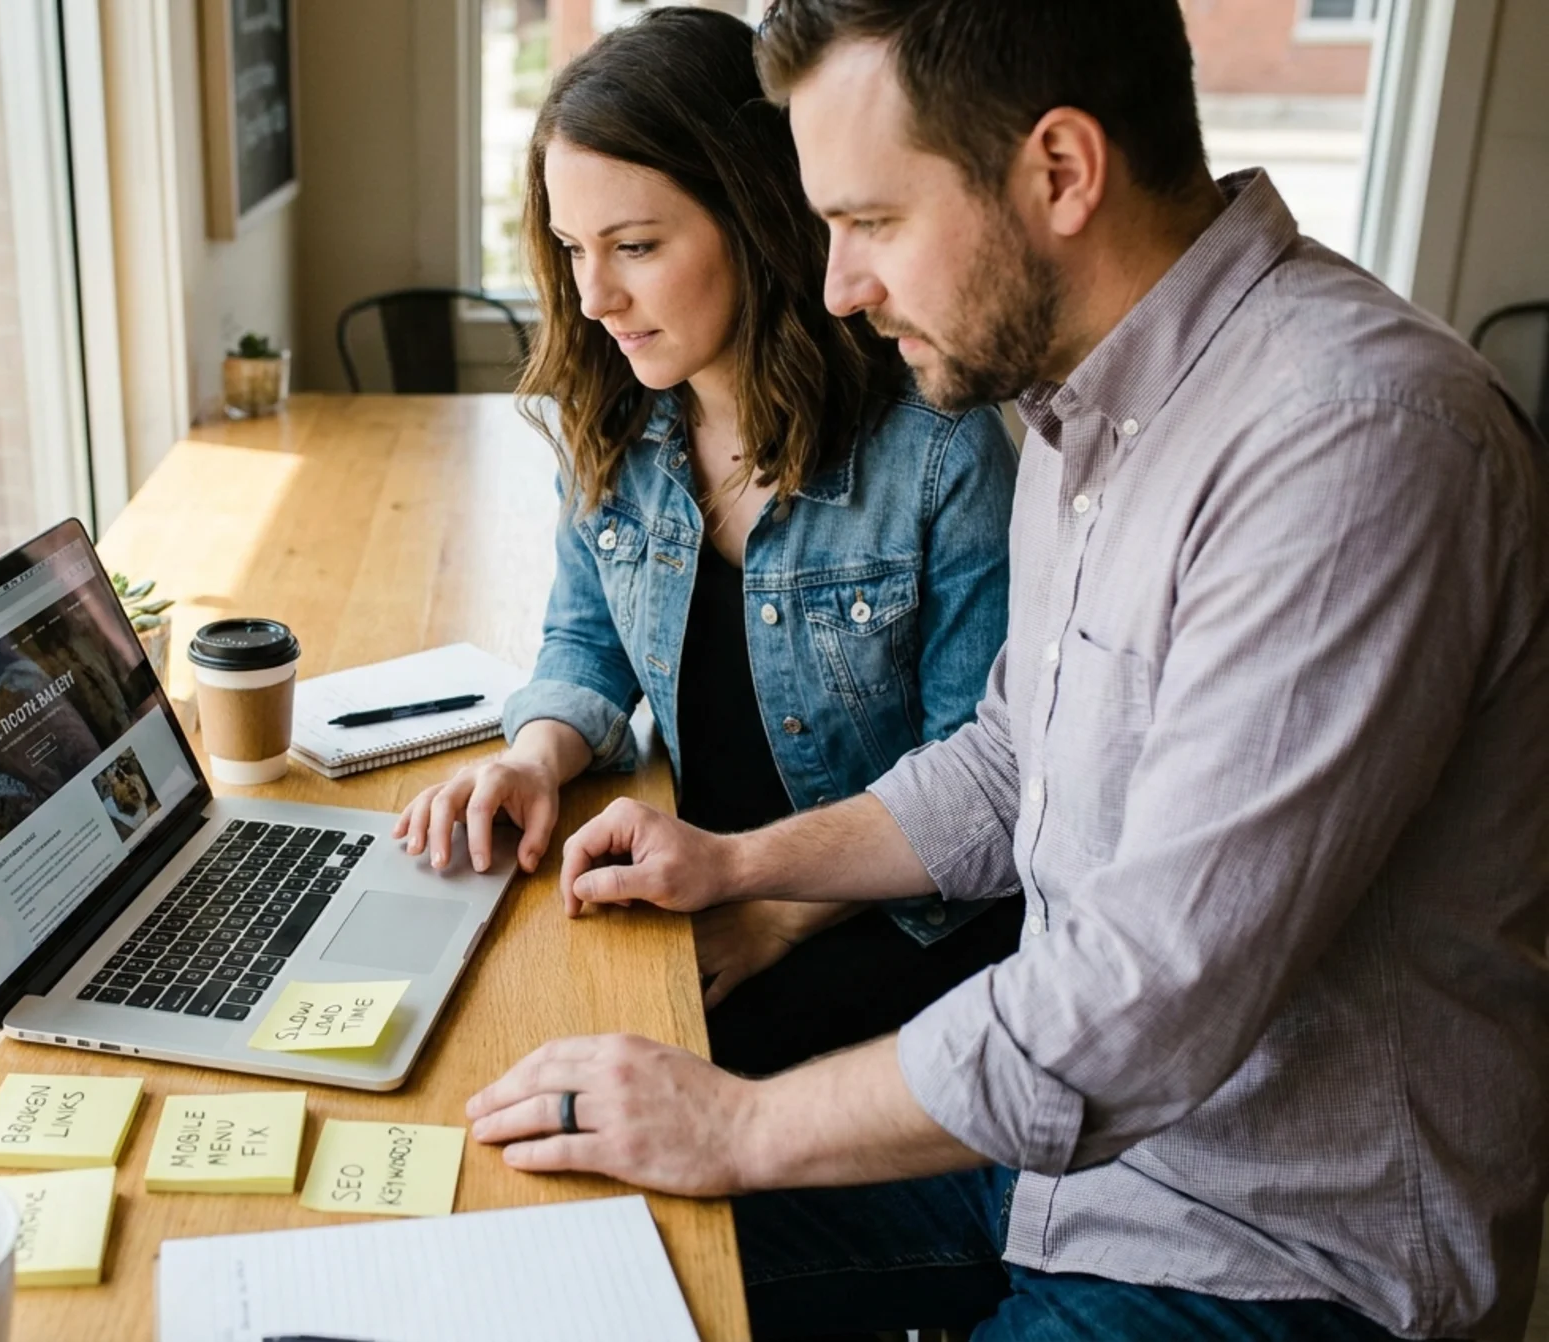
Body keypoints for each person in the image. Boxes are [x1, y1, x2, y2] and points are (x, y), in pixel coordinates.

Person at [461, 2, 1549, 1339]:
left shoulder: (1353, 444)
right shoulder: (1083, 406)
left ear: (1061, 172)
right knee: (542, 1249)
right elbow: (1005, 762)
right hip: (1063, 1173)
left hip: (1271, 1254)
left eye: (871, 221)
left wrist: (734, 1120)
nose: (840, 281)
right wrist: (740, 861)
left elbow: (1140, 1001)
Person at [393, 6, 1021, 1074]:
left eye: (635, 247)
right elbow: (584, 643)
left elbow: (979, 792)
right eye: (571, 250)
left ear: (757, 217)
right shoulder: (620, 420)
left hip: (893, 937)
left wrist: (773, 905)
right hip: (700, 880)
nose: (593, 298)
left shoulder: (939, 456)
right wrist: (534, 759)